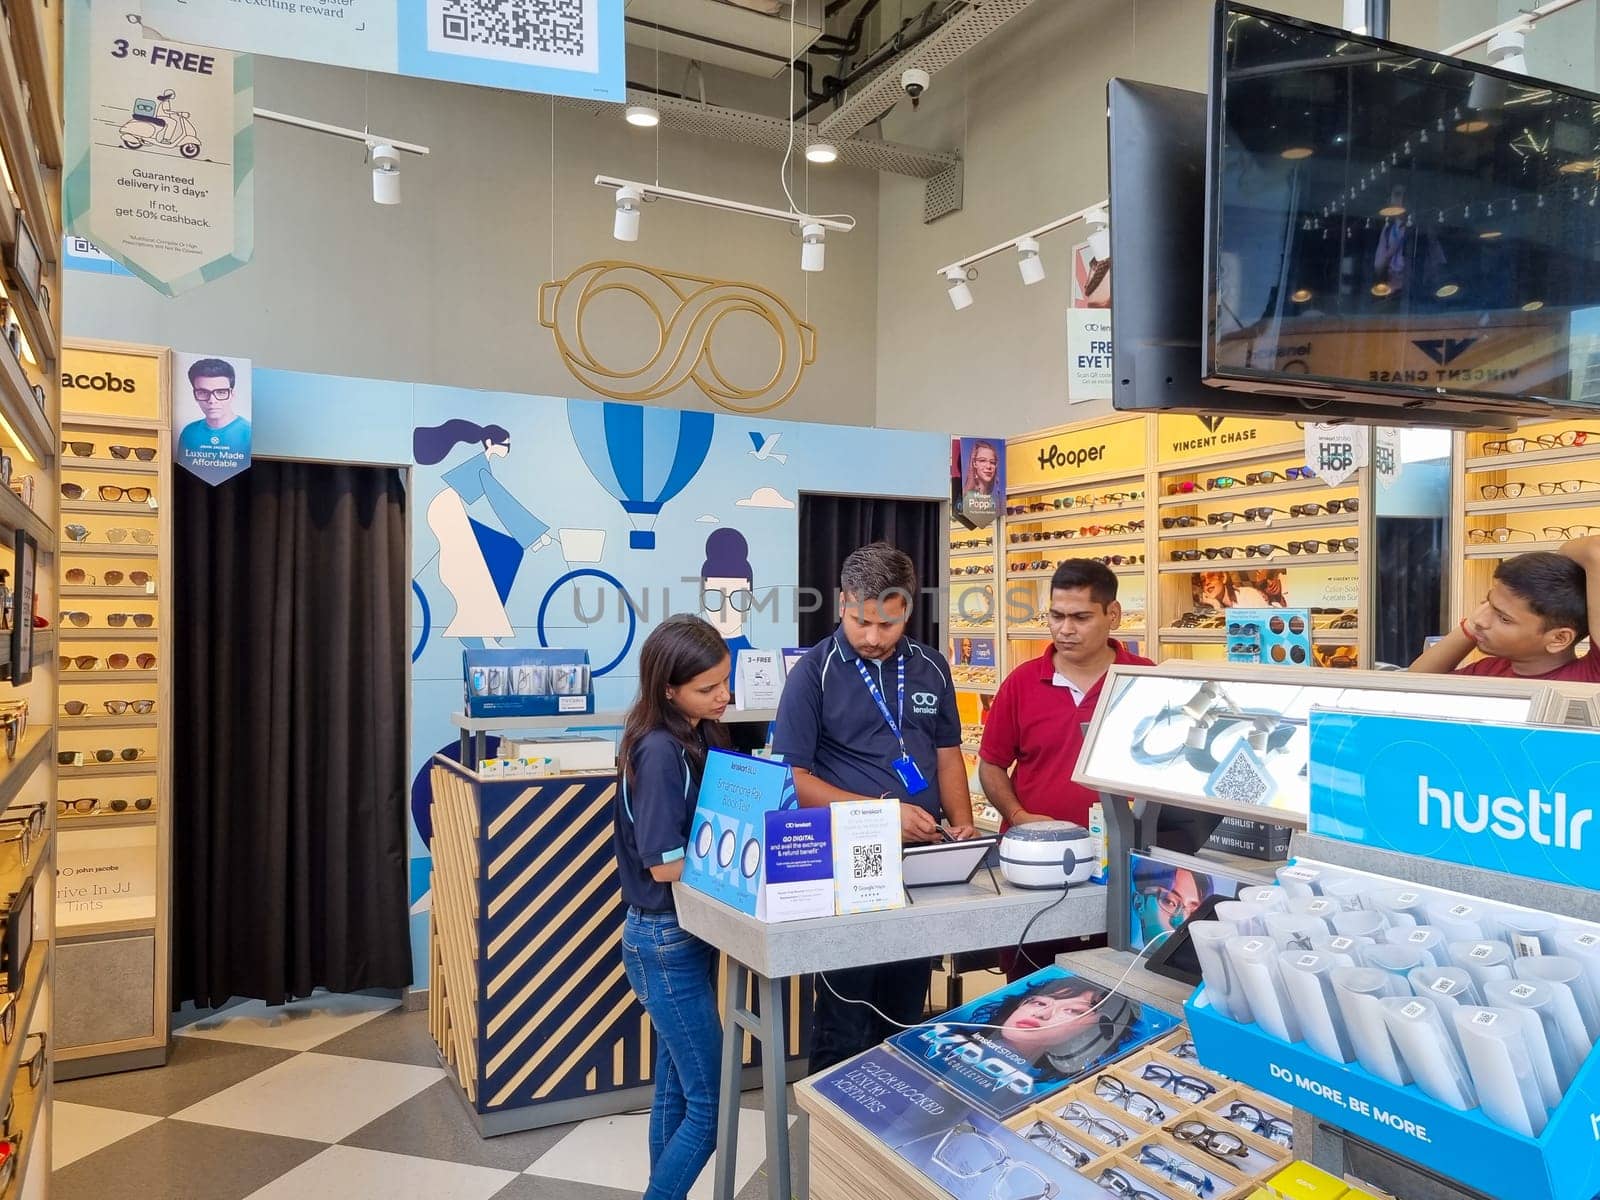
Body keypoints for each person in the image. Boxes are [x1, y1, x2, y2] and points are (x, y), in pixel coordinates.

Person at [773, 542, 978, 1073]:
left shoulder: (931, 665)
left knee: (906, 1012)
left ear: (907, 608)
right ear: (842, 603)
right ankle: (830, 1142)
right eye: (862, 622)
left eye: (886, 625)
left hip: (925, 860)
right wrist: (880, 814)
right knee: (844, 1015)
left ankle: (893, 1131)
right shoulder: (813, 674)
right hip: (851, 865)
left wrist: (963, 827)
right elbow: (793, 781)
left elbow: (947, 754)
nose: (872, 638)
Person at [980, 559, 1152, 978]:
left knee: (1115, 989)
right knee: (1026, 993)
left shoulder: (1145, 681)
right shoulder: (1022, 682)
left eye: (1080, 617)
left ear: (1113, 615)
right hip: (1035, 869)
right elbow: (991, 765)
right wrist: (1018, 817)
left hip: (1120, 874)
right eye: (1056, 616)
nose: (1064, 629)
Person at [613, 614, 732, 1200]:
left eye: (724, 682)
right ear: (668, 688)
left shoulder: (693, 734)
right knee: (710, 1111)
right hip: (665, 939)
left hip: (683, 932)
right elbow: (664, 864)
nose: (724, 696)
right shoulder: (660, 751)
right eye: (708, 689)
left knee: (675, 1093)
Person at [414, 419, 551, 644]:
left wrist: (532, 535)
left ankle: (483, 633)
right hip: (447, 510)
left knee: (507, 551)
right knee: (499, 556)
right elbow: (501, 500)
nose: (507, 450)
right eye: (505, 445)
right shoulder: (480, 466)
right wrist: (535, 533)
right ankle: (481, 634)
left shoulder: (481, 465)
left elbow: (498, 502)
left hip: (450, 508)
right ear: (489, 443)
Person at [1409, 544, 1600, 680]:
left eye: (1503, 618)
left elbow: (1595, 551)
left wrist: (1561, 559)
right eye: (1487, 603)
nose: (1481, 621)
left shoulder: (1589, 678)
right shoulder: (1487, 670)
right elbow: (1412, 687)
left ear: (1559, 639)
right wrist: (1469, 628)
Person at [177, 357, 251, 460]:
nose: (212, 400)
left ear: (232, 394)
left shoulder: (249, 433)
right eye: (203, 392)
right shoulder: (189, 432)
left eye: (221, 392)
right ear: (195, 395)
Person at [961, 441, 1002, 525]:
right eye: (982, 460)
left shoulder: (994, 499)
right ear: (974, 463)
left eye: (992, 462)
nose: (988, 466)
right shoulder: (967, 499)